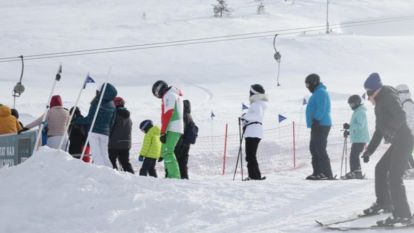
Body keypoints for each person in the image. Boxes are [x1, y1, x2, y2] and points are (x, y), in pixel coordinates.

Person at [361, 73, 413, 226]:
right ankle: (385, 203)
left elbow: (401, 115)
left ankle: (403, 215)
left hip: (404, 140)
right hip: (398, 142)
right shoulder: (379, 103)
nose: (367, 97)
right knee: (380, 169)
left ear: (374, 91)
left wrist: (391, 130)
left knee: (394, 177)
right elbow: (378, 131)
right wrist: (369, 151)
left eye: (368, 93)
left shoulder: (388, 96)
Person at [74, 83, 117, 167]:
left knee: (96, 154)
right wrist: (107, 130)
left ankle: (101, 172)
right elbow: (112, 122)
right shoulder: (112, 105)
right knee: (104, 154)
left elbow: (90, 119)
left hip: (94, 131)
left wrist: (76, 120)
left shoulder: (97, 102)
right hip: (105, 133)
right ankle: (110, 172)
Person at [305, 74, 334, 180]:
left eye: (308, 84)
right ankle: (318, 172)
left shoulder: (321, 92)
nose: (307, 86)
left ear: (314, 82)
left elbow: (322, 107)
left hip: (321, 124)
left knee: (320, 148)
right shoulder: (318, 92)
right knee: (314, 148)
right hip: (317, 124)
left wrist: (316, 119)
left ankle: (326, 173)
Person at [152, 80, 183, 179]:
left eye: (156, 93)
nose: (157, 95)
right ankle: (170, 175)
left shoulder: (169, 96)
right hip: (174, 126)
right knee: (166, 151)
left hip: (172, 127)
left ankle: (174, 176)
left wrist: (163, 132)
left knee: (168, 151)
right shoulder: (173, 94)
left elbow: (168, 113)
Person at [240, 84, 268, 180]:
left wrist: (244, 117)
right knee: (251, 155)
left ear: (254, 93)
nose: (249, 94)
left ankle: (253, 176)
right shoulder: (258, 103)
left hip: (253, 131)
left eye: (250, 92)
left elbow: (257, 115)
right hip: (254, 130)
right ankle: (256, 175)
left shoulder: (257, 103)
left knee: (250, 156)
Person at [342, 95, 369, 179]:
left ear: (357, 103)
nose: (351, 106)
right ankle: (355, 171)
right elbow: (357, 127)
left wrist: (350, 126)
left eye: (352, 104)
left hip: (360, 139)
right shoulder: (358, 111)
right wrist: (349, 132)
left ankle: (356, 172)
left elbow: (360, 125)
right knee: (354, 155)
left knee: (354, 155)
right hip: (358, 138)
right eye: (350, 104)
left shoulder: (360, 112)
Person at [108, 97, 134, 174]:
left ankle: (114, 177)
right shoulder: (129, 117)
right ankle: (133, 179)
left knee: (111, 161)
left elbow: (110, 128)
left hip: (114, 143)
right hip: (126, 144)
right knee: (125, 163)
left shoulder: (114, 115)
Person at [174, 99, 197, 179]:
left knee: (176, 161)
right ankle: (184, 177)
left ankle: (176, 177)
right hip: (187, 144)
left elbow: (181, 130)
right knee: (183, 162)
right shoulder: (189, 116)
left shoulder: (182, 115)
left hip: (180, 143)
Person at [395, 84, 414, 172]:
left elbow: (410, 120)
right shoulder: (405, 104)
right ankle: (409, 169)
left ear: (402, 94)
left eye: (397, 94)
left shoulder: (407, 104)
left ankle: (409, 169)